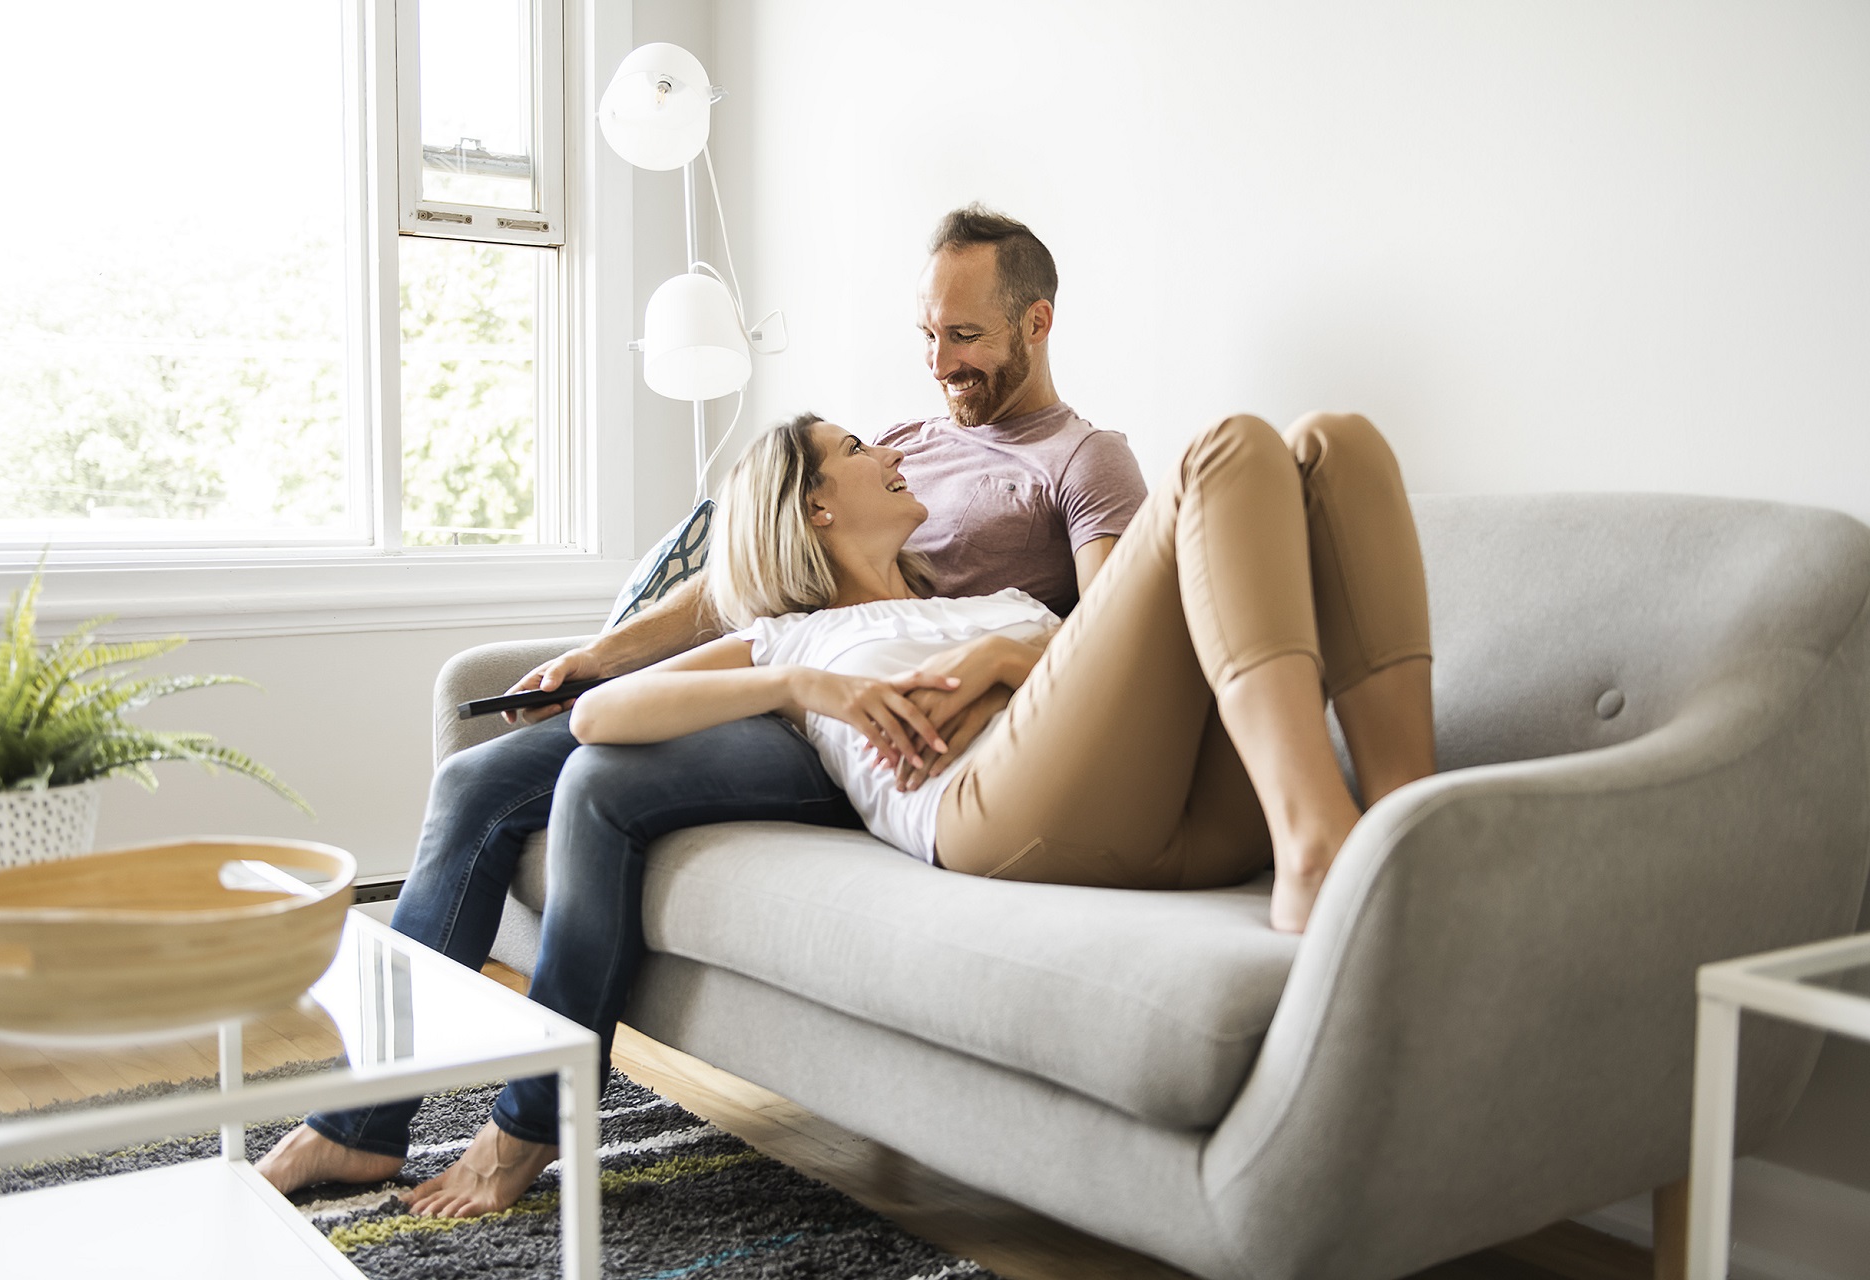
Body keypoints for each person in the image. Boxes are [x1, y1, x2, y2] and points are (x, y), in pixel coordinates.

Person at [255, 205, 1150, 1216]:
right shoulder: (902, 442)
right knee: (474, 780)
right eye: (929, 334)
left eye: (967, 335)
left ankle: (530, 1125)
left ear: (1036, 323)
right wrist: (596, 656)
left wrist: (990, 659)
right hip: (783, 665)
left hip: (867, 722)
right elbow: (745, 582)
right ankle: (358, 1126)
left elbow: (1112, 634)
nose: (941, 360)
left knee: (599, 780)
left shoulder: (1082, 462)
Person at [576, 411, 1434, 925]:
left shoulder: (997, 603)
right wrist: (800, 688)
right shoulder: (790, 640)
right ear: (816, 506)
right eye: (859, 448)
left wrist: (1002, 654)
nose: (893, 455)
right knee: (1231, 447)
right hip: (991, 812)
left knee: (1336, 442)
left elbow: (1112, 685)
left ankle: (1408, 830)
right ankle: (1317, 839)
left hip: (1182, 804)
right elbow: (598, 717)